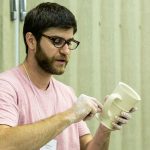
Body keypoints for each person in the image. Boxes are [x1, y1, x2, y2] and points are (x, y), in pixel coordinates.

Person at [0, 2, 134, 150]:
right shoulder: (6, 86)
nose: (66, 51)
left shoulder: (67, 93)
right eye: (57, 41)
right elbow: (3, 143)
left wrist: (106, 125)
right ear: (31, 41)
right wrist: (71, 114)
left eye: (69, 42)